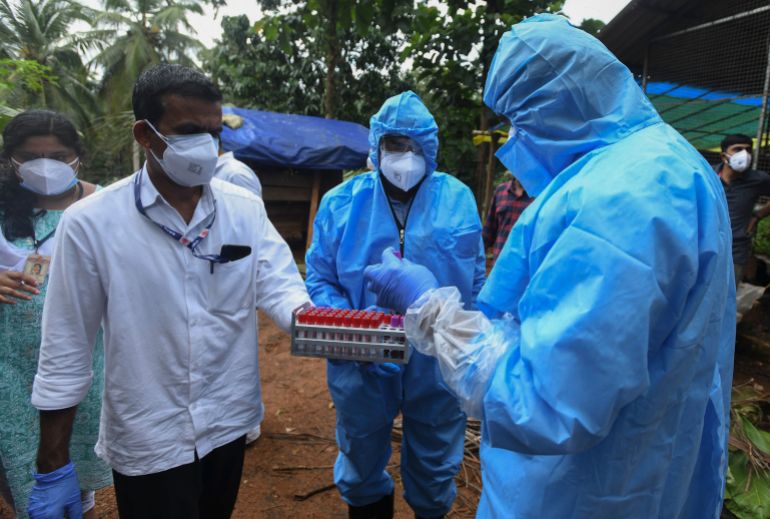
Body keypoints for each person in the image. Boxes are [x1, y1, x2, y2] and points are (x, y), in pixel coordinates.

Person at [364, 15, 735, 519]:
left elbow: (543, 403)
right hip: (639, 471)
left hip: (573, 493)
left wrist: (431, 310)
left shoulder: (619, 197)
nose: (513, 139)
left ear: (558, 105)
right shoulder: (669, 166)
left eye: (518, 120)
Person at [29, 64, 310, 519]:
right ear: (145, 134)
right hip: (148, 435)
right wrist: (52, 464)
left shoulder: (244, 210)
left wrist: (343, 331)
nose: (205, 145)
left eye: (213, 133)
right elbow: (66, 347)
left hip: (227, 423)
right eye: (189, 131)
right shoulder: (90, 223)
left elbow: (283, 290)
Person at [306, 90, 485, 519]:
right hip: (361, 360)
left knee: (436, 454)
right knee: (361, 450)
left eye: (414, 146)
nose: (405, 157)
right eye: (394, 145)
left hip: (438, 358)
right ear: (376, 146)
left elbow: (475, 280)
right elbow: (320, 276)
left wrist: (463, 339)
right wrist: (351, 329)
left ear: (431, 148)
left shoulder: (458, 199)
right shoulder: (342, 204)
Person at [0, 110, 111, 519]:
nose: (45, 166)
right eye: (31, 157)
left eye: (58, 155)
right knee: (16, 463)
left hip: (84, 358)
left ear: (77, 157)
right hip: (9, 366)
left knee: (74, 457)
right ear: (11, 160)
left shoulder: (103, 205)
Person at [714, 133, 770, 284]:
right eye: (737, 149)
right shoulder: (708, 176)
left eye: (748, 150)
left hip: (736, 251)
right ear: (723, 156)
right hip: (705, 246)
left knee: (727, 298)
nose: (744, 155)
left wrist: (758, 215)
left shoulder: (758, 179)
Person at [482, 174, 532, 264]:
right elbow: (489, 230)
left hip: (525, 264)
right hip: (500, 262)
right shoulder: (500, 191)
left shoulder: (540, 194)